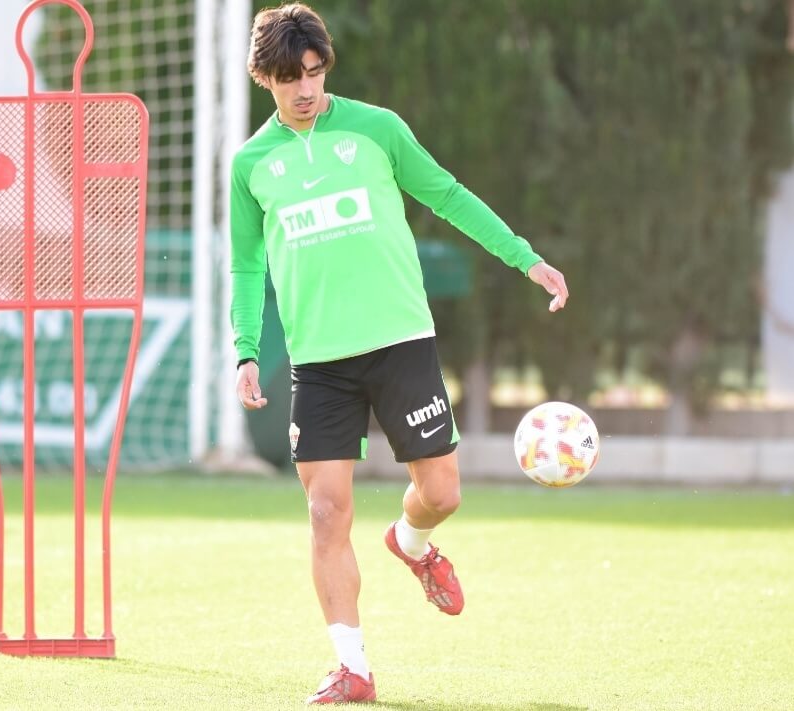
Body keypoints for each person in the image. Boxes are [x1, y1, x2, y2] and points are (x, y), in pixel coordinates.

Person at [230, 3, 569, 705]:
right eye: (290, 77)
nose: (305, 89)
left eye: (315, 73)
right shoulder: (251, 164)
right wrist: (246, 349)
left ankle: (411, 543)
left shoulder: (378, 129)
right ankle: (352, 666)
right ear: (264, 77)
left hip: (401, 342)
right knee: (327, 512)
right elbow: (244, 264)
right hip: (320, 361)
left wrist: (524, 258)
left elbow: (445, 194)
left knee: (442, 492)